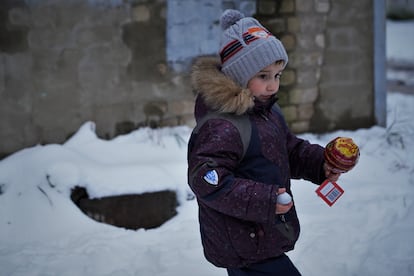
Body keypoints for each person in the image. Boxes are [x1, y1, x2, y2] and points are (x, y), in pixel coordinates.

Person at [187, 9, 357, 276]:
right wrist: (266, 200)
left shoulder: (266, 112)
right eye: (263, 76)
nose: (272, 86)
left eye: (277, 75)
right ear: (239, 76)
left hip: (261, 234)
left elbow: (286, 149)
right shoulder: (224, 125)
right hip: (243, 240)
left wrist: (320, 163)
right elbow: (206, 178)